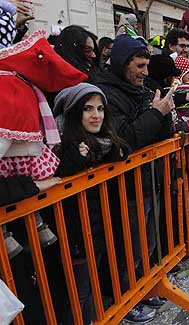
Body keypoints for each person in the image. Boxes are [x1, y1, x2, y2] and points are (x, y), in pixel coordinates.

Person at [95, 34, 175, 323]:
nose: (145, 72)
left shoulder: (141, 89)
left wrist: (164, 113)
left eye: (146, 66)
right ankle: (126, 298)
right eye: (140, 66)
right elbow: (124, 139)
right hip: (126, 188)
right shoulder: (105, 93)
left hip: (149, 180)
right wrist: (156, 112)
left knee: (147, 243)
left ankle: (145, 287)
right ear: (121, 63)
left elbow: (160, 134)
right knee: (127, 247)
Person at [53, 83, 128, 325]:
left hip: (94, 229)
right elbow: (58, 176)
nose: (96, 115)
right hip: (73, 234)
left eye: (100, 109)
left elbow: (123, 149)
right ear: (74, 112)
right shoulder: (62, 146)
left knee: (90, 287)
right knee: (79, 293)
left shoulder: (101, 142)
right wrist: (76, 159)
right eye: (87, 109)